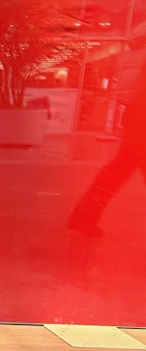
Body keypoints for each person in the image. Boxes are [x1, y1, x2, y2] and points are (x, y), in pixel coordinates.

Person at [67, 23, 146, 237]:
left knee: (115, 173)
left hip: (136, 116)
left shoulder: (134, 53)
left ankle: (83, 217)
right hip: (142, 118)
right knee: (115, 173)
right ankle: (83, 217)